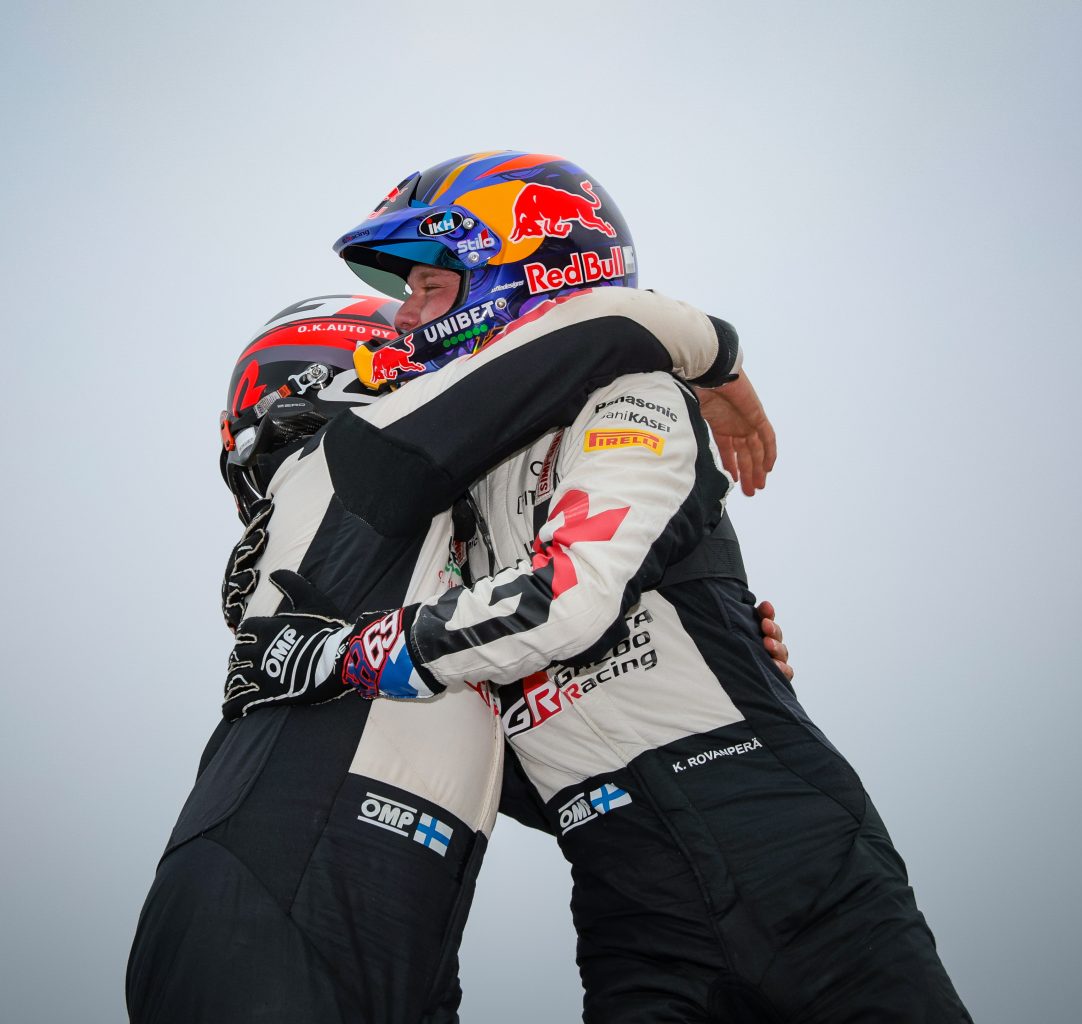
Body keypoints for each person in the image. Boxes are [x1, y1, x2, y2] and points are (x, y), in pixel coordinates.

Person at [232, 151, 973, 1022]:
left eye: (430, 285)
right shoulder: (460, 499)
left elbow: (566, 600)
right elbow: (487, 743)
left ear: (517, 276)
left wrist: (347, 656)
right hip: (627, 895)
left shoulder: (634, 395)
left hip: (784, 843)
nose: (404, 314)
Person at [126, 282, 773, 1022]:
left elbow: (535, 750)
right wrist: (720, 368)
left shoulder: (414, 545)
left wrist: (709, 652)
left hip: (390, 906)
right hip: (283, 878)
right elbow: (603, 325)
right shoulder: (354, 459)